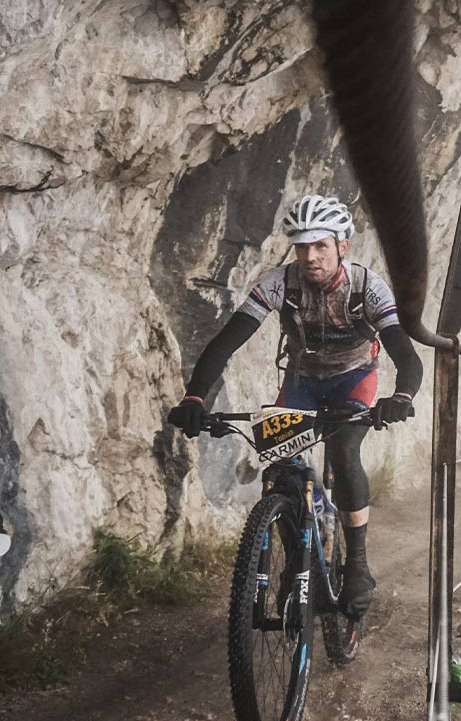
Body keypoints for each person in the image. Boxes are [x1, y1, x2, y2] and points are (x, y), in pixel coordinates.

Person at [168, 193, 422, 620]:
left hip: (354, 382)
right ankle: (294, 568)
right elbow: (225, 342)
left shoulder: (367, 287)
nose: (309, 256)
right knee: (281, 465)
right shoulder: (278, 283)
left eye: (320, 245)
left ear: (343, 245)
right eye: (301, 246)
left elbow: (405, 354)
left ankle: (357, 565)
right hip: (303, 382)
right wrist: (196, 395)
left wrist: (400, 397)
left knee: (343, 453)